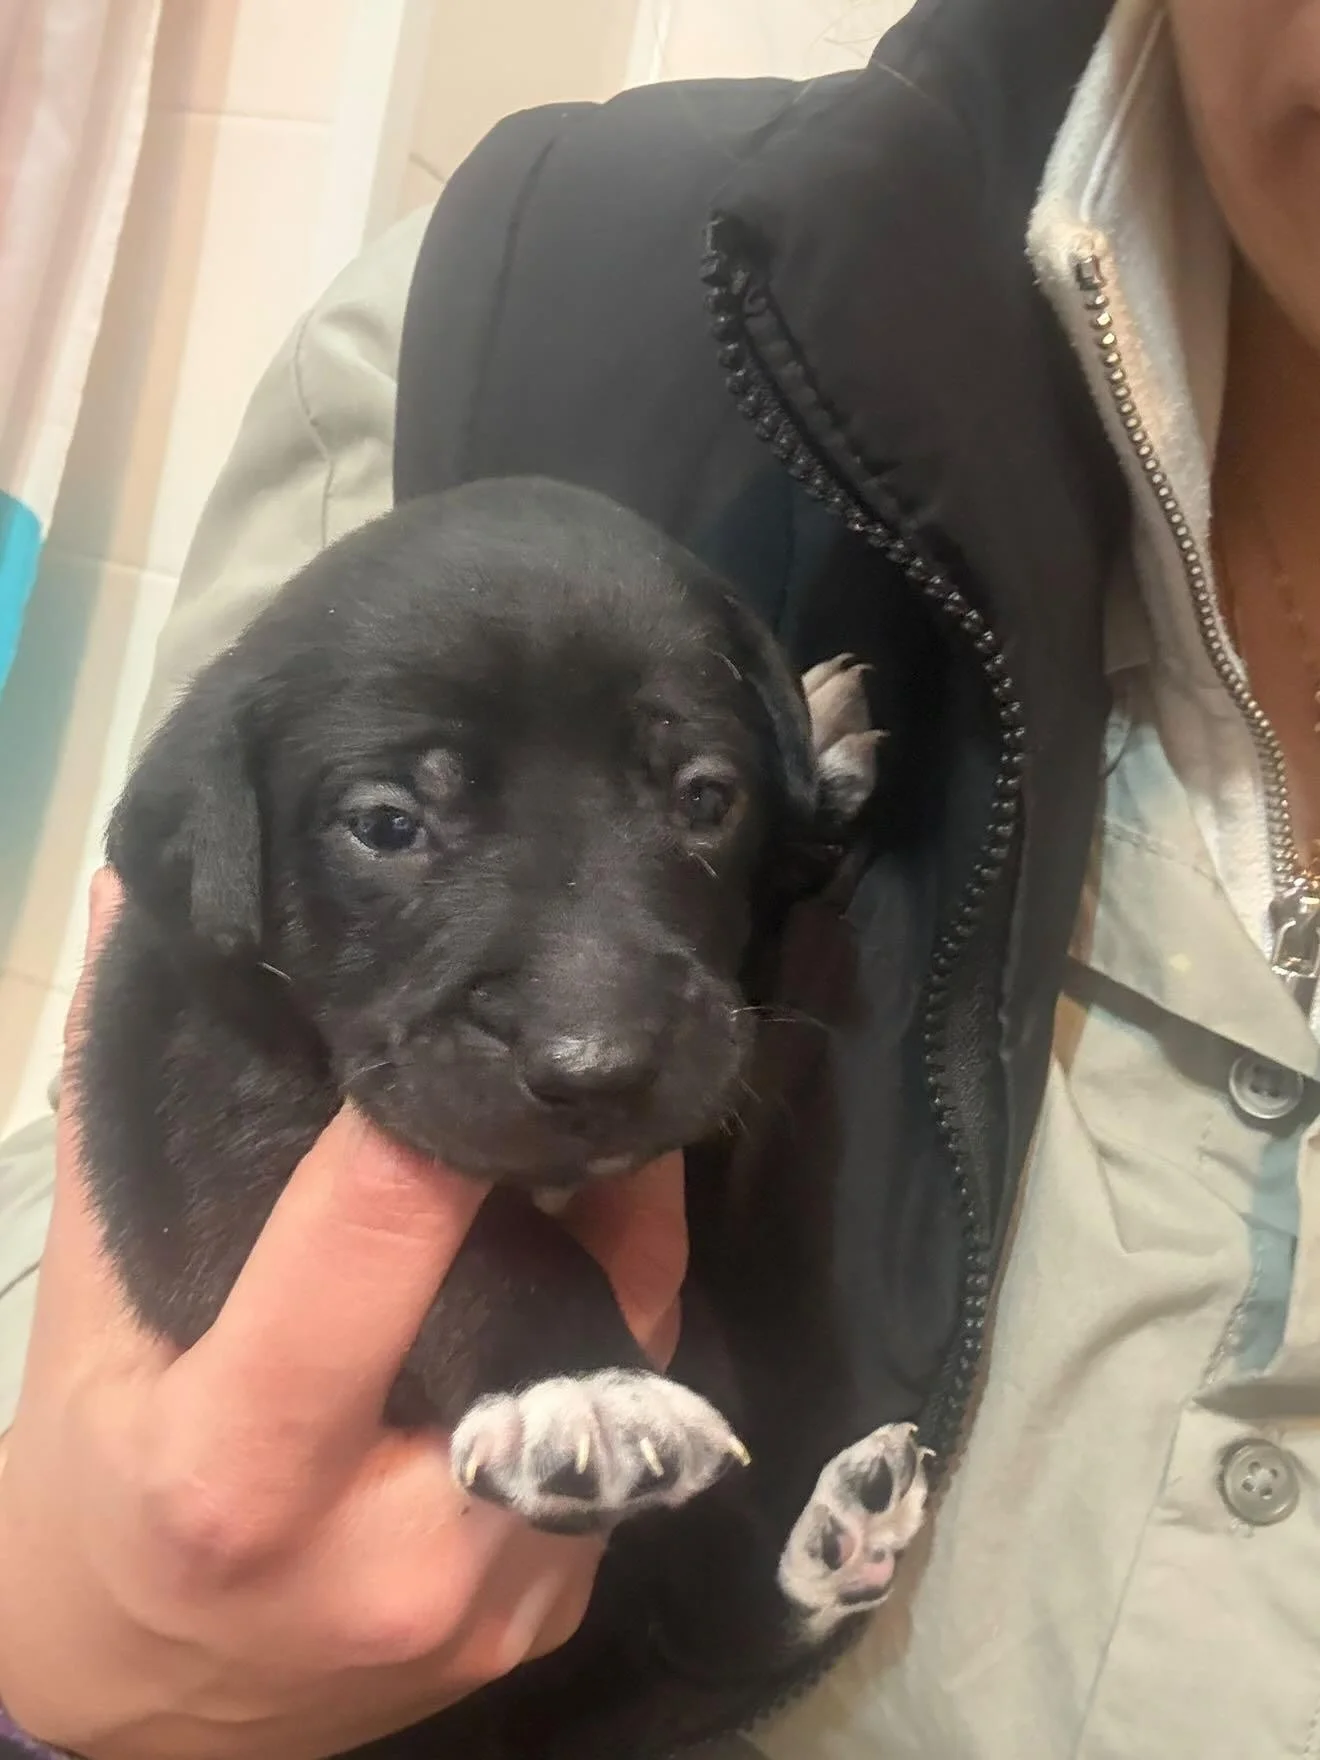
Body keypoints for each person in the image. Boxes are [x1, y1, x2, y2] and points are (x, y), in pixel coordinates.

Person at [1, 0, 1318, 1753]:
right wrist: (53, 1657)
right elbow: (90, 1264)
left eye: (698, 796)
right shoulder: (518, 303)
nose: (593, 1039)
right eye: (394, 824)